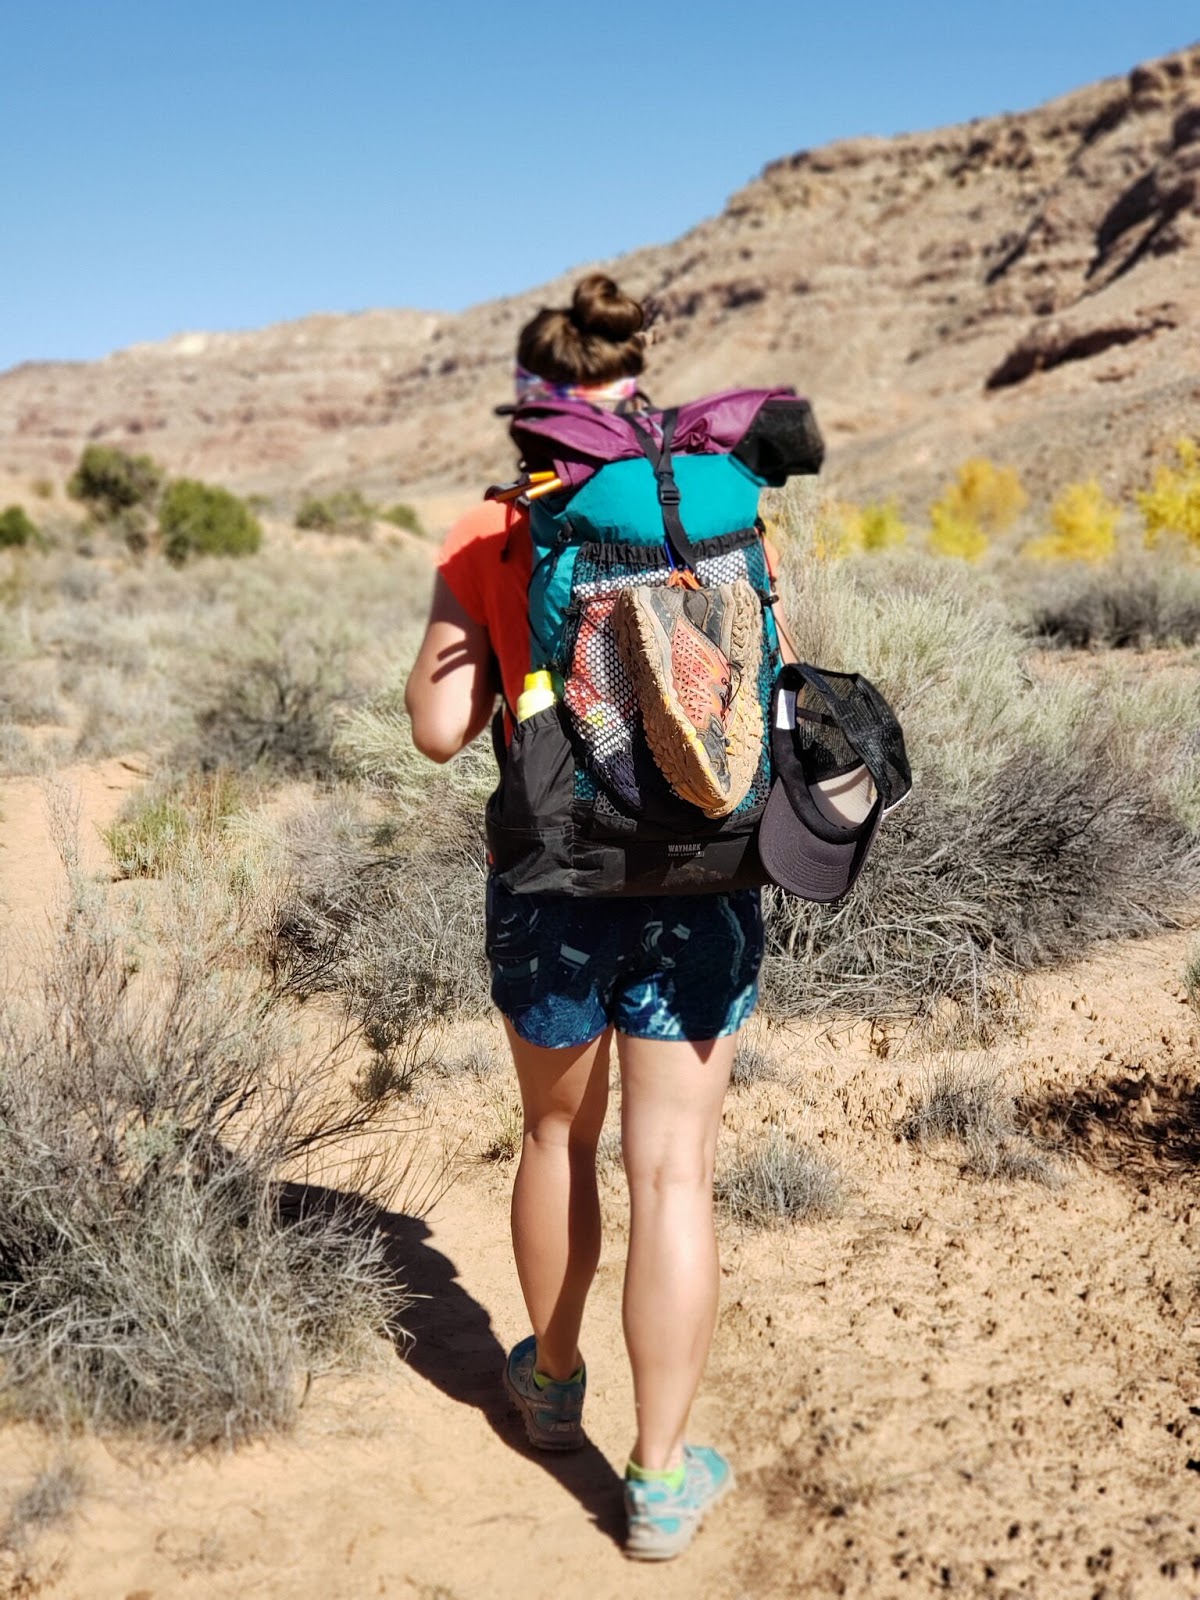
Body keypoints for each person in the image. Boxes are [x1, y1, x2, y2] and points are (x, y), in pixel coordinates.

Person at [405, 274, 782, 1561]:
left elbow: (440, 731)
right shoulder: (712, 514)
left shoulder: (488, 531)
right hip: (703, 871)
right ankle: (663, 1482)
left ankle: (550, 1385)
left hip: (554, 876)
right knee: (674, 1171)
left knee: (555, 1140)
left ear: (535, 407)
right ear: (642, 385)